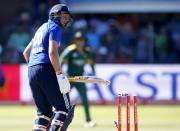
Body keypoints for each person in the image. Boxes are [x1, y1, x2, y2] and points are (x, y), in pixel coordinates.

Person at [23, 4, 75, 131]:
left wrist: (36, 69)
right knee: (64, 110)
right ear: (55, 16)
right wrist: (59, 74)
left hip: (32, 70)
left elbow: (26, 53)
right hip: (46, 68)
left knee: (44, 112)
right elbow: (52, 52)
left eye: (67, 17)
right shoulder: (55, 27)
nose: (66, 19)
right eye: (63, 16)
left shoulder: (41, 28)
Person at [60, 31, 96, 127]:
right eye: (78, 40)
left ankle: (88, 121)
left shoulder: (87, 51)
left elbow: (91, 63)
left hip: (80, 79)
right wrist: (59, 74)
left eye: (81, 40)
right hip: (70, 79)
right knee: (63, 100)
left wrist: (94, 74)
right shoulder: (70, 50)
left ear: (84, 41)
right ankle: (57, 118)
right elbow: (61, 61)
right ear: (75, 41)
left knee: (85, 100)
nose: (80, 42)